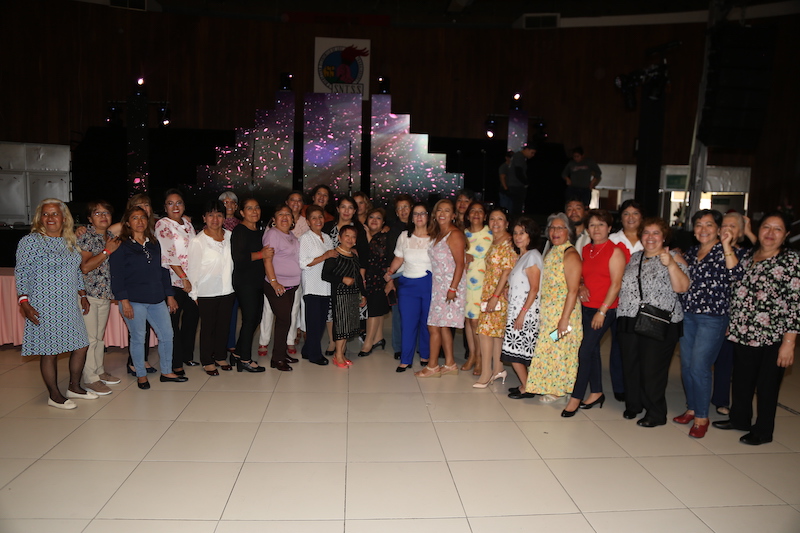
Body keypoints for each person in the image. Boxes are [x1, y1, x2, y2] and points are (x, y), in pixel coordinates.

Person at [713, 212, 800, 445]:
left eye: (777, 229)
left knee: (767, 386)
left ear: (786, 234)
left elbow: (795, 304)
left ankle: (763, 431)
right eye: (766, 227)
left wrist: (789, 343)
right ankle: (739, 419)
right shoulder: (750, 255)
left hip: (772, 336)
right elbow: (737, 286)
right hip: (743, 332)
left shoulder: (790, 261)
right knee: (742, 380)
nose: (770, 233)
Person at [672, 209, 744, 438]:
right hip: (688, 315)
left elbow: (737, 275)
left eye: (709, 225)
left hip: (712, 318)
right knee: (687, 366)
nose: (703, 229)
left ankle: (702, 417)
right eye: (699, 225)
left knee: (700, 366)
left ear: (718, 229)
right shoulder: (693, 252)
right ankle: (692, 408)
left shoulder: (726, 251)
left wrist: (727, 244)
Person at [16, 199, 93, 409]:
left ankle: (74, 387)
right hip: (43, 304)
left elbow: (75, 270)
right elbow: (21, 272)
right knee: (50, 350)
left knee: (81, 345)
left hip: (68, 304)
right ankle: (54, 395)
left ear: (64, 218)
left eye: (55, 214)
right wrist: (24, 302)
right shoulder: (30, 242)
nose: (50, 218)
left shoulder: (69, 241)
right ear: (40, 218)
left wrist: (82, 294)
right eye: (45, 214)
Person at [617, 218, 689, 426]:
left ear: (664, 237)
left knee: (652, 369)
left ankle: (656, 413)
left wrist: (671, 264)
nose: (650, 237)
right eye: (646, 232)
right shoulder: (635, 257)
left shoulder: (674, 257)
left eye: (656, 233)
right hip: (629, 318)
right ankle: (634, 404)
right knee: (631, 365)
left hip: (659, 321)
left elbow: (682, 287)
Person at [110, 206, 188, 389]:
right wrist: (124, 301)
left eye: (143, 217)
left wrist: (170, 295)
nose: (140, 221)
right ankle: (141, 374)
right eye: (135, 218)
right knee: (138, 338)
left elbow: (163, 271)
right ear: (127, 223)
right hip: (133, 301)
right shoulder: (121, 245)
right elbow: (116, 275)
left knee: (167, 335)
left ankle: (166, 371)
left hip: (156, 299)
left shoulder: (154, 243)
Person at [562, 209, 627, 416]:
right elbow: (583, 276)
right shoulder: (586, 250)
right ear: (588, 229)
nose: (596, 229)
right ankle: (597, 392)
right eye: (592, 225)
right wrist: (581, 285)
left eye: (601, 224)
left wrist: (602, 311)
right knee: (593, 351)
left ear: (609, 228)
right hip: (586, 307)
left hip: (605, 309)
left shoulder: (615, 251)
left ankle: (576, 397)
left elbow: (616, 284)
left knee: (584, 350)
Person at [518, 213, 582, 402]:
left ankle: (558, 390)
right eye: (552, 228)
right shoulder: (553, 251)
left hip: (564, 314)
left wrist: (564, 320)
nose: (555, 231)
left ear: (568, 231)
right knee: (549, 350)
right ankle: (550, 386)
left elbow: (573, 290)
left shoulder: (570, 254)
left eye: (560, 228)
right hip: (549, 313)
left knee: (559, 350)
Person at [416, 199, 467, 378]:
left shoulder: (455, 234)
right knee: (444, 326)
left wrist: (452, 288)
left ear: (453, 215)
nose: (442, 213)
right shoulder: (439, 233)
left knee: (433, 325)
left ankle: (432, 366)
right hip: (439, 286)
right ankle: (450, 363)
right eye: (439, 210)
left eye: (447, 210)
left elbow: (460, 264)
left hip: (450, 286)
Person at [77, 200, 122, 395]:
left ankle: (99, 371)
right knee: (91, 338)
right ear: (89, 218)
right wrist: (106, 251)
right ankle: (90, 378)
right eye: (97, 213)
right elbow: (85, 267)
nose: (103, 216)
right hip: (87, 295)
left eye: (106, 213)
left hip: (104, 294)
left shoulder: (111, 236)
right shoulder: (85, 236)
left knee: (99, 337)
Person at [187, 200, 236, 377]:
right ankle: (207, 360)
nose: (215, 219)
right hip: (206, 291)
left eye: (219, 215)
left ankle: (221, 356)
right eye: (211, 215)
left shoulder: (230, 236)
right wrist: (194, 294)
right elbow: (192, 269)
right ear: (204, 218)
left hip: (228, 289)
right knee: (208, 328)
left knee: (224, 325)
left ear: (224, 218)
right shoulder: (198, 241)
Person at [155, 189, 199, 374]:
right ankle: (175, 363)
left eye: (178, 202)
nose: (175, 206)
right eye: (170, 203)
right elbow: (168, 254)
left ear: (184, 206)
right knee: (172, 323)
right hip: (174, 281)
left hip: (192, 282)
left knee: (191, 319)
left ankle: (187, 356)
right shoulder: (162, 224)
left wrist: (194, 280)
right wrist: (183, 278)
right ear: (165, 207)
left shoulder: (187, 224)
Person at [711, 211, 751, 414]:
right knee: (713, 359)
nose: (727, 229)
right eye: (724, 225)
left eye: (733, 226)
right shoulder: (710, 250)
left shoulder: (746, 254)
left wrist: (750, 232)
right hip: (711, 313)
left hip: (735, 313)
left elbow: (769, 249)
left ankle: (722, 400)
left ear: (741, 232)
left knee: (728, 360)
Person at [385, 203, 432, 372]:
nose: (419, 217)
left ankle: (425, 355)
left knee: (426, 322)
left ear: (428, 216)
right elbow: (399, 257)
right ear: (412, 218)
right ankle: (406, 359)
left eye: (422, 213)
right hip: (407, 285)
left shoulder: (435, 237)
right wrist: (391, 272)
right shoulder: (404, 236)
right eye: (416, 214)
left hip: (428, 283)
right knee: (407, 323)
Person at [474, 208, 516, 388]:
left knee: (484, 332)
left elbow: (507, 271)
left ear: (507, 223)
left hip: (498, 294)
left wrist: (495, 296)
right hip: (490, 292)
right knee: (496, 334)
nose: (496, 222)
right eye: (492, 219)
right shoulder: (495, 241)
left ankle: (486, 373)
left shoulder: (509, 243)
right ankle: (498, 369)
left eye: (500, 219)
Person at [608, 198, 644, 402]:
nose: (631, 218)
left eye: (635, 213)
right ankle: (620, 386)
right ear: (620, 218)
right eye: (626, 214)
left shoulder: (649, 238)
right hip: (618, 301)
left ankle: (638, 385)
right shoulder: (612, 239)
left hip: (644, 303)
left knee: (641, 347)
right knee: (619, 344)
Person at [501, 216, 543, 394]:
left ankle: (527, 387)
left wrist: (522, 314)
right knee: (516, 352)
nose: (518, 237)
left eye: (522, 233)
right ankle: (527, 385)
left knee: (514, 352)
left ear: (530, 235)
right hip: (518, 311)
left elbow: (534, 289)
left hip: (525, 313)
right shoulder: (523, 256)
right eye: (516, 233)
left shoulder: (532, 256)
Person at [230, 198, 267, 372]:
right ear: (242, 212)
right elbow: (239, 258)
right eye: (250, 208)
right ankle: (245, 359)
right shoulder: (240, 230)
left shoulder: (259, 231)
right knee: (250, 319)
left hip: (257, 280)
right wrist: (261, 254)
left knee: (256, 318)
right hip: (245, 282)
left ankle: (238, 353)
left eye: (257, 207)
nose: (254, 211)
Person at [263, 205, 302, 372]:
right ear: (274, 219)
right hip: (278, 285)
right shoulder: (273, 234)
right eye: (281, 214)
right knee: (283, 320)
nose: (285, 217)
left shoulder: (291, 235)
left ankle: (281, 353)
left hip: (291, 285)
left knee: (285, 321)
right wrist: (274, 282)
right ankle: (277, 359)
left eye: (288, 214)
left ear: (293, 219)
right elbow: (267, 260)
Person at [322, 225, 367, 368]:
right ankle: (338, 355)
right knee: (341, 326)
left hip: (352, 295)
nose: (350, 239)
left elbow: (358, 277)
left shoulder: (354, 256)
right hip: (340, 295)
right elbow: (325, 275)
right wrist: (342, 279)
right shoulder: (334, 255)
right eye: (347, 236)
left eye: (353, 237)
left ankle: (341, 353)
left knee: (348, 327)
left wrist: (363, 294)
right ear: (339, 238)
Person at [299, 205, 337, 365]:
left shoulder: (327, 238)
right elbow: (303, 263)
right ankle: (315, 355)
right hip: (312, 286)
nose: (318, 220)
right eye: (313, 218)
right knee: (314, 323)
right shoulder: (306, 238)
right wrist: (325, 256)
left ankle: (307, 350)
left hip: (326, 286)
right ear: (308, 221)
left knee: (321, 322)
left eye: (320, 217)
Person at [462, 201, 491, 374]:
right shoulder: (462, 234)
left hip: (483, 283)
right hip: (465, 282)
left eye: (480, 211)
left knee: (476, 321)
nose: (476, 214)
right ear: (468, 215)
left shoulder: (490, 233)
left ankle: (480, 358)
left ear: (485, 216)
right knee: (467, 320)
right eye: (473, 211)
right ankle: (472, 355)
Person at [386, 194, 413, 360]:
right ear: (396, 212)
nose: (403, 211)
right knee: (398, 314)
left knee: (416, 314)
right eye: (399, 208)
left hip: (417, 276)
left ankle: (415, 346)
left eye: (406, 207)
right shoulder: (393, 231)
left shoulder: (421, 228)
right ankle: (398, 347)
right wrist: (391, 280)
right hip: (398, 276)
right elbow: (390, 257)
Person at [360, 208, 390, 357]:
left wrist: (368, 236)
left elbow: (379, 253)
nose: (374, 220)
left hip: (379, 279)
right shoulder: (364, 236)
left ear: (383, 222)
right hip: (369, 277)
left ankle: (368, 343)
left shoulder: (383, 237)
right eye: (371, 217)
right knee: (376, 310)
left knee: (373, 310)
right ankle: (378, 338)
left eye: (378, 218)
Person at [219, 191, 240, 357]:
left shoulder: (241, 225)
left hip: (237, 273)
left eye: (232, 202)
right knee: (219, 312)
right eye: (225, 202)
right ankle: (218, 343)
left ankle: (231, 343)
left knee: (233, 311)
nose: (229, 205)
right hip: (219, 273)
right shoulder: (213, 224)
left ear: (237, 206)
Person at [508, 144, 535, 216]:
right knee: (517, 207)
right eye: (532, 152)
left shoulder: (518, 156)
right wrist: (526, 183)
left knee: (516, 206)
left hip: (515, 185)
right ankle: (516, 220)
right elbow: (518, 172)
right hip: (517, 185)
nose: (533, 155)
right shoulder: (519, 156)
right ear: (527, 150)